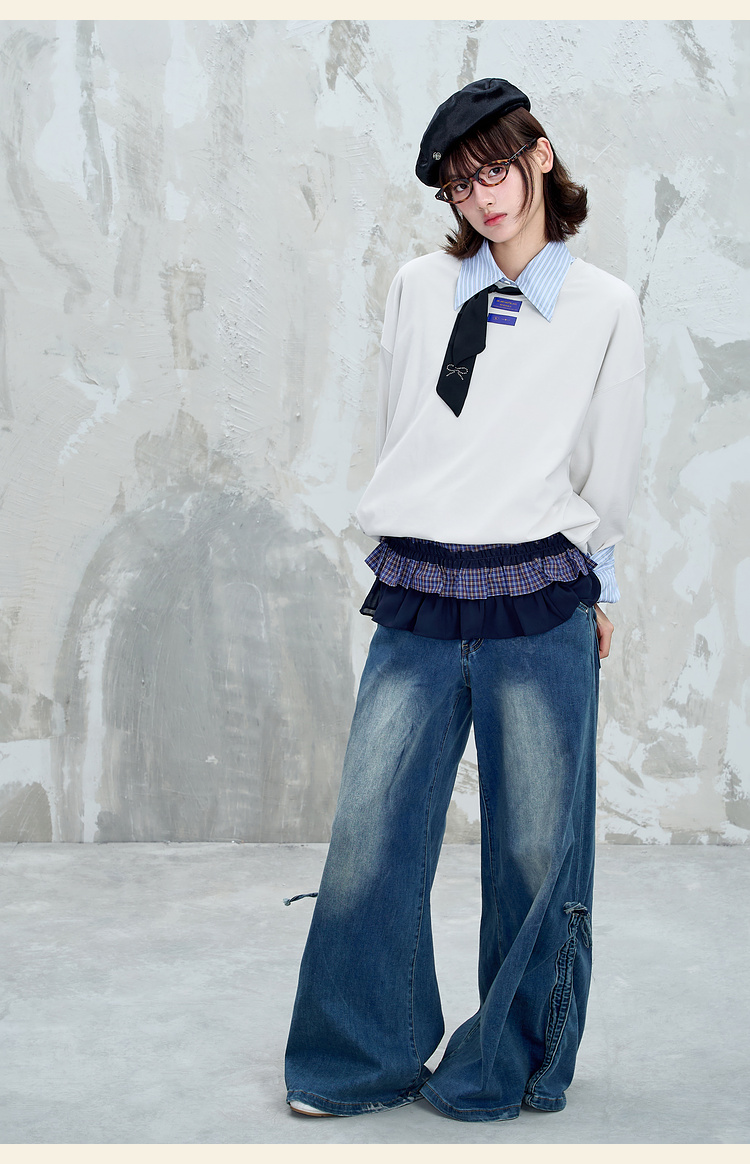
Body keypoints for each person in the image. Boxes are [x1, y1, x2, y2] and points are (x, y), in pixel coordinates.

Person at [284, 77, 645, 1124]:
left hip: (541, 590)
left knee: (536, 850)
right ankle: (361, 1055)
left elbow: (609, 464)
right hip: (422, 586)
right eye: (458, 185)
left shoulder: (604, 307)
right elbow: (405, 430)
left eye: (495, 170)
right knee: (372, 833)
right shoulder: (418, 287)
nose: (482, 198)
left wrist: (602, 586)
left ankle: (515, 1063)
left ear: (540, 154)